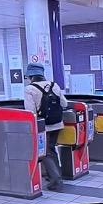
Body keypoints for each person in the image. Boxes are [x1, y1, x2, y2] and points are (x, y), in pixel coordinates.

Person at [23, 63, 68, 191]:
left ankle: (56, 180)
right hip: (57, 123)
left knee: (45, 152)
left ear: (30, 76)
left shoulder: (29, 89)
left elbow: (30, 111)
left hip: (43, 126)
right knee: (51, 149)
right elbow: (64, 104)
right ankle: (55, 175)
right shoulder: (54, 85)